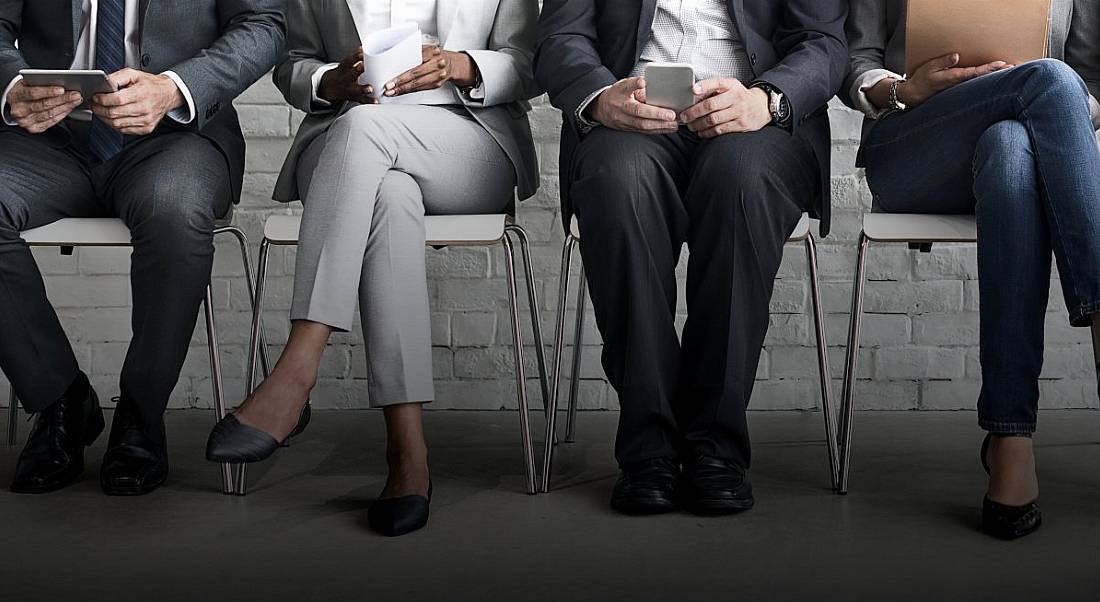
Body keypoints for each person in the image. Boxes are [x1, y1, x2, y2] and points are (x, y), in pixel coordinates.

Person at [205, 0, 540, 537]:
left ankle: (296, 371)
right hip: (346, 145)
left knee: (368, 132)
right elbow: (294, 67)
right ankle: (408, 455)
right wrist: (330, 82)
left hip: (468, 137)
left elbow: (529, 62)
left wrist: (460, 65)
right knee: (388, 190)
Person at [535, 0, 848, 516]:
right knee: (619, 185)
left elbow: (825, 42)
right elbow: (559, 37)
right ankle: (648, 450)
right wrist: (598, 96)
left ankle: (716, 449)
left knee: (740, 185)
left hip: (754, 119)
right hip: (631, 117)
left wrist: (767, 99)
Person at [0, 0, 285, 496]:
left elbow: (264, 24)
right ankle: (60, 401)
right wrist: (11, 84)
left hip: (176, 136)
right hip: (48, 139)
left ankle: (141, 413)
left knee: (174, 212)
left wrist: (175, 87)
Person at [843, 0, 1100, 539]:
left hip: (1026, 148)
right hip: (914, 145)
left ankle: (1011, 438)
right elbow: (856, 60)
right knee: (1051, 80)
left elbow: (1091, 85)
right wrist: (904, 89)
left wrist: (1032, 95)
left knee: (1011, 144)